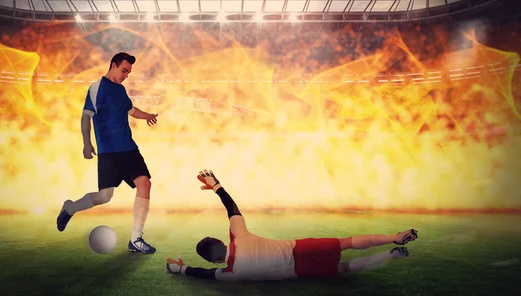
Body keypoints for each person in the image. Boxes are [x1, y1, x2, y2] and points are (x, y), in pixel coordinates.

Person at [166, 169, 418, 280]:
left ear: (213, 260)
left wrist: (180, 269)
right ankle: (393, 237)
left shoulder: (230, 274)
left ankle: (390, 255)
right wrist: (216, 185)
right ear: (222, 241)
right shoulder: (238, 236)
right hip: (299, 249)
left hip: (299, 272)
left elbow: (205, 275)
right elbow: (231, 206)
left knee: (345, 268)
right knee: (345, 243)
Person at [56, 52, 159, 254]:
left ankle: (136, 239)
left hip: (129, 149)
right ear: (113, 65)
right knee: (104, 197)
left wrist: (147, 115)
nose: (126, 75)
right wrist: (87, 143)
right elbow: (86, 117)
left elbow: (131, 110)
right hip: (109, 153)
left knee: (145, 183)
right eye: (124, 70)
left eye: (128, 72)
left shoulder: (121, 90)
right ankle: (70, 208)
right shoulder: (97, 88)